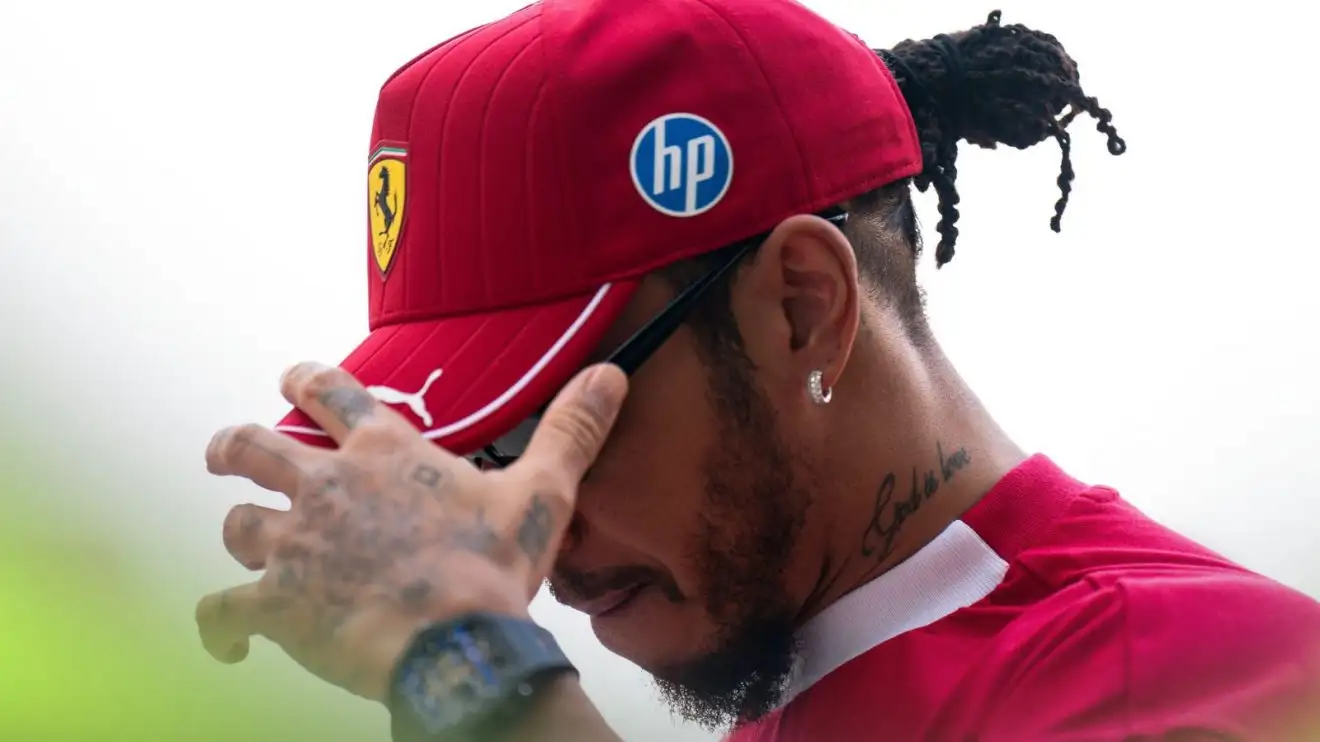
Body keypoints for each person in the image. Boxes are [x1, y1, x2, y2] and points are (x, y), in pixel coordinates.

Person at [198, 1, 1320, 740]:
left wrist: (470, 668)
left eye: (552, 419)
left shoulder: (1189, 676)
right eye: (472, 451)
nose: (534, 524)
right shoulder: (800, 686)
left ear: (802, 308)